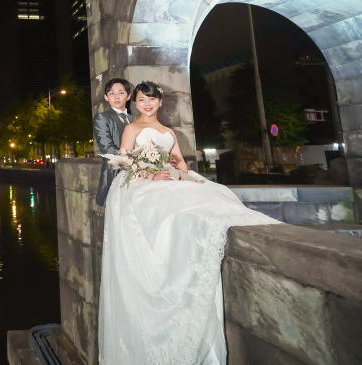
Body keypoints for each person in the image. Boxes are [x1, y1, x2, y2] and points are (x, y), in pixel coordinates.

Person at [98, 81, 280, 365]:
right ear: (135, 102)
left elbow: (180, 161)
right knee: (167, 208)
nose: (147, 104)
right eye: (142, 99)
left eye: (152, 99)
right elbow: (124, 160)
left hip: (167, 175)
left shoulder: (169, 131)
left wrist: (183, 174)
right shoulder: (131, 128)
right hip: (140, 183)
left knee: (207, 193)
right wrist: (150, 174)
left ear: (160, 102)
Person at [93, 78, 137, 207]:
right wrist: (134, 161)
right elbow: (107, 148)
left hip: (139, 174)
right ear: (106, 97)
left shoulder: (135, 119)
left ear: (128, 96)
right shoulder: (102, 118)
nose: (116, 96)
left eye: (121, 92)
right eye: (112, 93)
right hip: (115, 173)